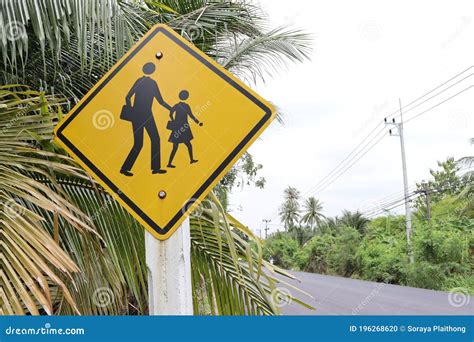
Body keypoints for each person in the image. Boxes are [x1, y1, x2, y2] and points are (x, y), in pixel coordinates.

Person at [120, 62, 170, 176]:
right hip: (146, 114)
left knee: (140, 143)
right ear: (152, 71)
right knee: (153, 140)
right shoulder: (152, 83)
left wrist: (131, 110)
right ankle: (155, 168)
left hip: (139, 115)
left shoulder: (140, 81)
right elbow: (161, 102)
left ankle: (126, 169)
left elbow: (127, 97)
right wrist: (171, 109)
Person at [167, 90, 203, 168]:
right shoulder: (186, 106)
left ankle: (190, 160)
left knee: (178, 146)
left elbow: (170, 113)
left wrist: (174, 120)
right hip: (183, 127)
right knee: (186, 145)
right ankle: (170, 163)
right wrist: (198, 122)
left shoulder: (177, 105)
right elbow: (191, 116)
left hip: (179, 127)